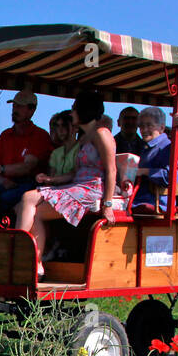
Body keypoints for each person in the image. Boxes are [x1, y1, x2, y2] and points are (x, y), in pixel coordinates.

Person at [16, 90, 115, 277]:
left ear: (84, 111)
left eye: (74, 109)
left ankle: (17, 253)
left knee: (28, 198)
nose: (71, 113)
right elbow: (75, 172)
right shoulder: (84, 138)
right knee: (31, 206)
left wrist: (108, 205)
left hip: (91, 189)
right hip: (77, 185)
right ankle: (35, 263)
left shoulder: (102, 134)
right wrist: (50, 180)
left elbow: (111, 170)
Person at [0, 89, 56, 227]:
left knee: (7, 196)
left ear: (31, 110)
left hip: (28, 184)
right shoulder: (5, 135)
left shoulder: (40, 136)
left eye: (20, 106)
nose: (15, 109)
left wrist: (1, 170)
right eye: (14, 105)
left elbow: (28, 167)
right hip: (5, 183)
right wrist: (2, 180)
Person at [128, 107, 177, 212]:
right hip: (140, 200)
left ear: (162, 128)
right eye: (141, 126)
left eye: (149, 125)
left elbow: (171, 176)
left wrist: (144, 171)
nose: (144, 130)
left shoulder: (166, 147)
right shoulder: (147, 148)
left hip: (156, 203)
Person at [37, 111, 81, 185]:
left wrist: (51, 179)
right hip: (56, 189)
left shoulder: (81, 149)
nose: (60, 130)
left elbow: (74, 174)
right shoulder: (56, 153)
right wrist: (43, 178)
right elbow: (51, 175)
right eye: (58, 126)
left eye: (64, 125)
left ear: (76, 128)